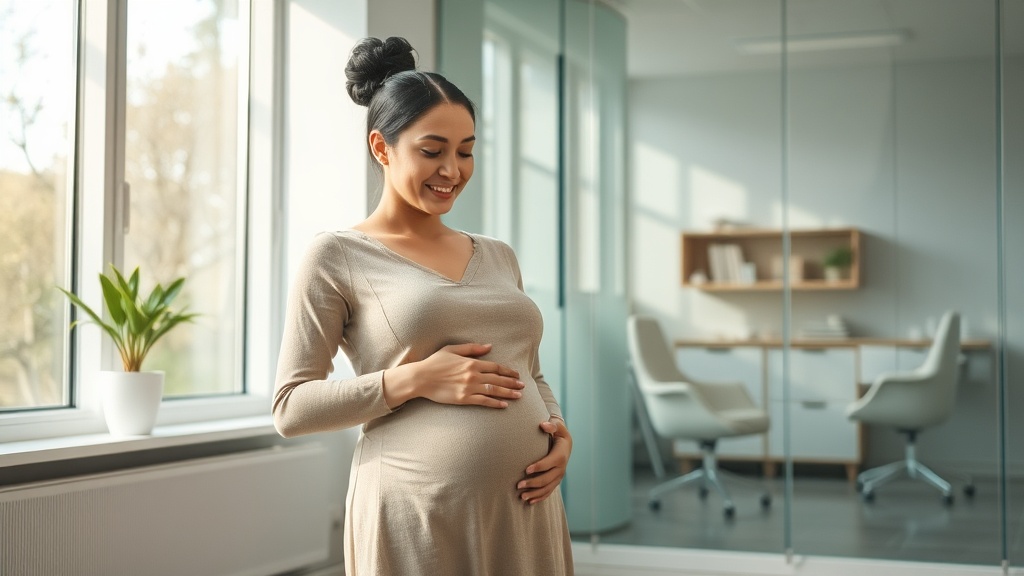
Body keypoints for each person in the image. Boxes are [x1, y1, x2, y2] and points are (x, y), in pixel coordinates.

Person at [273, 36, 574, 576]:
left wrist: (556, 430)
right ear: (381, 147)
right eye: (432, 151)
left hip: (526, 510)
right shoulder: (336, 255)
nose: (452, 170)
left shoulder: (499, 255)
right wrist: (414, 380)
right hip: (417, 514)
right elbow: (291, 408)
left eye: (466, 150)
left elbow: (529, 370)